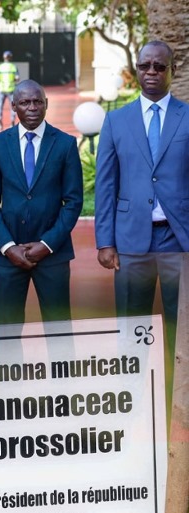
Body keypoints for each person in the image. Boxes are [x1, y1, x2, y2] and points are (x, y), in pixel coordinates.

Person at [96, 40, 189, 353]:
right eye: (145, 66)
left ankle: (180, 398)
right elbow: (106, 185)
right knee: (132, 327)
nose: (151, 72)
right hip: (131, 239)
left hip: (179, 239)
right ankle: (134, 393)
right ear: (135, 69)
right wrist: (105, 242)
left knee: (183, 326)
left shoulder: (187, 117)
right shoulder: (115, 120)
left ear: (171, 71)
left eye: (159, 66)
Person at [0, 80, 83, 325]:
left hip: (53, 254)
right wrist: (8, 246)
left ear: (46, 104)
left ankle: (60, 367)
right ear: (13, 106)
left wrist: (46, 245)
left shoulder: (65, 144)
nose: (32, 107)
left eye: (38, 101)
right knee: (8, 331)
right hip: (8, 256)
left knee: (59, 330)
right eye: (25, 102)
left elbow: (74, 201)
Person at [0, 51, 19, 131]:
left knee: (0, 106)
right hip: (11, 89)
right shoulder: (13, 67)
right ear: (10, 57)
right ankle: (12, 123)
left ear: (4, 57)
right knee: (13, 106)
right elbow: (17, 78)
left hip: (1, 89)